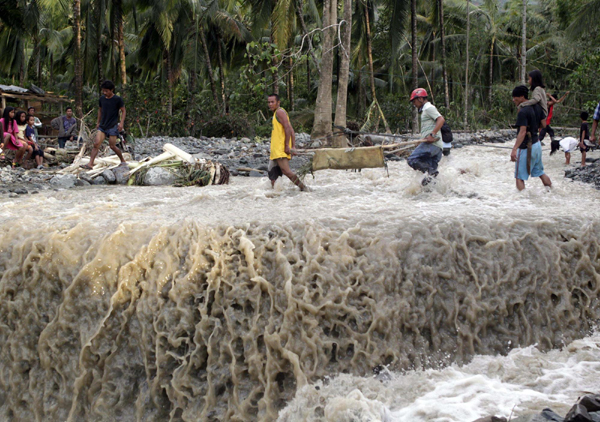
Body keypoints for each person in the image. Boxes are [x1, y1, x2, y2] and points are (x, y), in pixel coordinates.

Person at [510, 85, 552, 191]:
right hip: (537, 145)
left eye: (515, 97)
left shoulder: (523, 111)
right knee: (540, 172)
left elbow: (522, 132)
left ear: (522, 96)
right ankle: (551, 191)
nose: (513, 99)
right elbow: (543, 124)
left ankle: (522, 202)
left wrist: (514, 149)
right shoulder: (537, 107)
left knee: (519, 177)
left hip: (526, 147)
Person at [81, 80, 127, 169]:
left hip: (113, 125)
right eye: (103, 91)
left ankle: (122, 160)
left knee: (112, 146)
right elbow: (100, 110)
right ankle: (90, 163)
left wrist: (121, 123)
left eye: (106, 91)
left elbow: (123, 111)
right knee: (96, 144)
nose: (104, 93)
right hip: (103, 125)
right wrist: (98, 122)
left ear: (111, 90)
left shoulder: (117, 99)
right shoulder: (102, 99)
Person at [266, 93, 308, 191]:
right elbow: (291, 129)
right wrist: (293, 145)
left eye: (272, 102)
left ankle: (304, 188)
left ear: (278, 102)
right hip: (275, 151)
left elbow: (288, 129)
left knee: (286, 171)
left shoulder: (280, 112)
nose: (270, 104)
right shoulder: (278, 112)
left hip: (280, 149)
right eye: (269, 102)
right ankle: (276, 195)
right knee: (272, 174)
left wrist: (287, 146)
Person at [407, 88, 445, 185]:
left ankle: (430, 171)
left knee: (412, 159)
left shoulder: (429, 108)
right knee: (429, 182)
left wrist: (432, 135)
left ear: (420, 99)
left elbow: (441, 120)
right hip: (437, 148)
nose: (414, 104)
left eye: (414, 101)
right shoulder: (426, 110)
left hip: (432, 145)